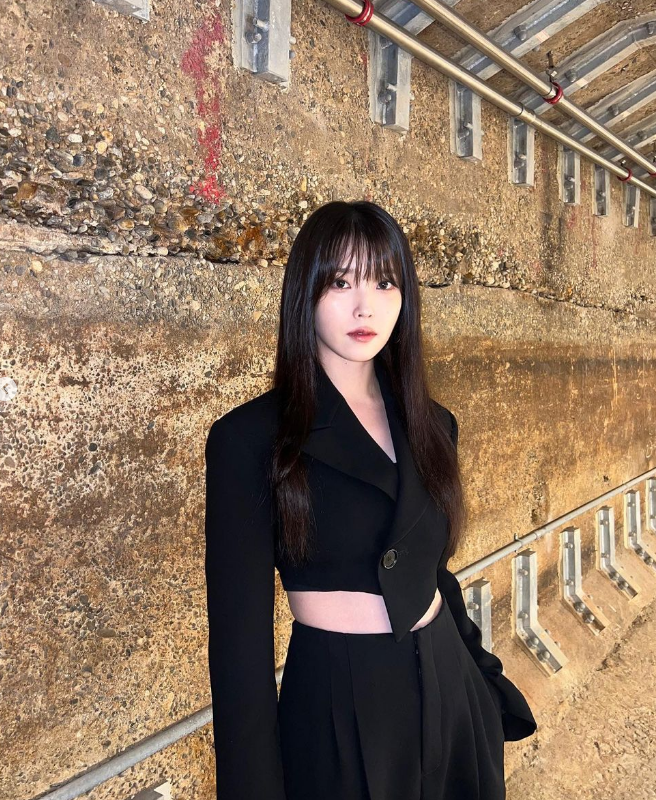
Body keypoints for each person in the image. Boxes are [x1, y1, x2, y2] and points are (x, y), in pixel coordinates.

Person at [204, 200, 537, 800]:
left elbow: (432, 571)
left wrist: (485, 682)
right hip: (336, 702)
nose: (366, 307)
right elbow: (239, 650)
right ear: (305, 292)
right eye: (341, 282)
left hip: (450, 692)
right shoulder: (250, 438)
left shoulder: (433, 423)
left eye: (385, 282)